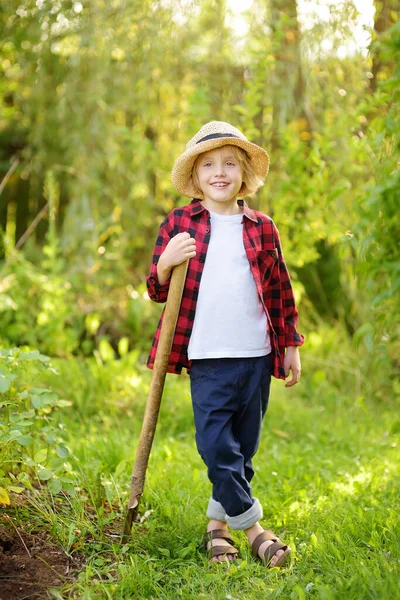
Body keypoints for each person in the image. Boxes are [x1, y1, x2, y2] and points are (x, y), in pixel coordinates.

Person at [146, 121, 304, 568]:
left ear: (244, 174)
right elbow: (158, 291)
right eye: (209, 164)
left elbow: (281, 290)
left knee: (241, 447)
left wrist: (290, 343)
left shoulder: (263, 227)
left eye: (230, 163)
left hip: (255, 354)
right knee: (216, 445)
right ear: (195, 177)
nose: (220, 172)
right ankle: (253, 528)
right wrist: (164, 265)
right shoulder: (180, 222)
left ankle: (217, 527)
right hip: (208, 357)